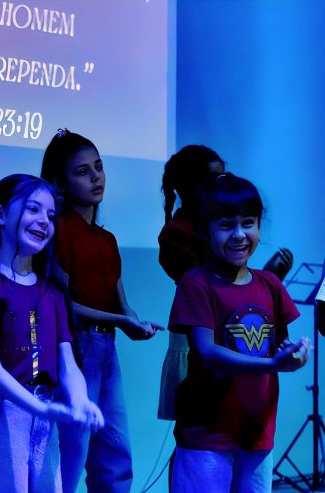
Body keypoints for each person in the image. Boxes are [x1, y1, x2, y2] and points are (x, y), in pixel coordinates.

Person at [0, 173, 103, 493]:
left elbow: (67, 363)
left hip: (41, 413)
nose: (44, 221)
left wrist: (80, 400)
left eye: (50, 214)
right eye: (33, 209)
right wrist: (41, 408)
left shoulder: (52, 292)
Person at [168, 173, 310, 492]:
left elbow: (277, 344)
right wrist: (271, 364)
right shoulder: (196, 283)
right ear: (206, 230)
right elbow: (207, 353)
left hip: (257, 432)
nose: (239, 235)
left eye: (248, 223)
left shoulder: (270, 284)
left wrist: (294, 354)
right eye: (226, 225)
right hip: (206, 435)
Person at [40, 129, 163, 493]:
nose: (96, 177)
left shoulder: (106, 239)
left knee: (115, 451)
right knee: (71, 453)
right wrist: (121, 321)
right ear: (59, 183)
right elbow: (63, 306)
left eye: (98, 167)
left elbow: (120, 302)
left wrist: (135, 323)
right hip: (74, 349)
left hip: (105, 348)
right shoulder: (57, 230)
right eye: (83, 171)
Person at [158, 145, 293, 422]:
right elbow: (211, 287)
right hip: (199, 332)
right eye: (212, 179)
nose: (221, 183)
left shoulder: (219, 227)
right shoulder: (177, 235)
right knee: (200, 417)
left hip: (232, 328)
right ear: (188, 188)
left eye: (223, 175)